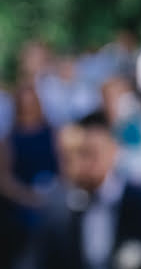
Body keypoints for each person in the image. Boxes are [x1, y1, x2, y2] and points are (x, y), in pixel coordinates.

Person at [34, 112, 141, 269]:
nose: (84, 162)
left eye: (92, 153)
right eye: (78, 154)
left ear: (113, 151)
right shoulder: (62, 212)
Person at [0, 84, 57, 268]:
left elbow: (65, 170)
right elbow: (5, 180)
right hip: (22, 206)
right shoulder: (9, 140)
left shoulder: (53, 133)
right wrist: (29, 198)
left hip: (53, 199)